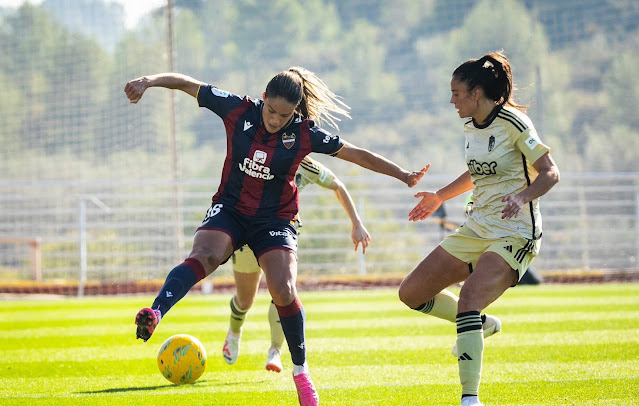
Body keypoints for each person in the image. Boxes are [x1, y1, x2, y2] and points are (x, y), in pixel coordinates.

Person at [124, 67, 428, 406]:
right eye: (271, 110)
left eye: (285, 115)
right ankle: (155, 312)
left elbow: (356, 153)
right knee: (206, 256)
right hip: (231, 209)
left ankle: (301, 373)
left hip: (276, 219)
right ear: (263, 99)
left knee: (283, 289)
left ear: (295, 112)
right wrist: (148, 81)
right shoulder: (238, 109)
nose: (275, 119)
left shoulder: (304, 133)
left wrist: (402, 174)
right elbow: (186, 83)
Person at [397, 51, 560, 406]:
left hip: (515, 232)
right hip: (477, 226)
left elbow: (551, 173)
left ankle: (470, 399)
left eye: (456, 93)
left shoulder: (516, 124)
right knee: (410, 293)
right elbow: (478, 172)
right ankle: (479, 325)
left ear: (476, 93)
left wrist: (523, 196)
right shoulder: (471, 125)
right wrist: (439, 196)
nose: (451, 100)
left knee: (468, 300)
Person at [222, 155, 371, 373]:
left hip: (281, 234)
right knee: (245, 300)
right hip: (247, 232)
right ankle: (234, 333)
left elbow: (337, 185)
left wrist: (356, 223)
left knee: (281, 292)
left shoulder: (303, 161)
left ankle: (275, 351)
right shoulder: (257, 149)